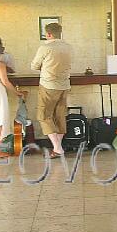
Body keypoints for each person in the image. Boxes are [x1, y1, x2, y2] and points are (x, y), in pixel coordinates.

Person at [31, 23, 72, 158]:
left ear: (48, 34)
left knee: (43, 115)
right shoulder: (68, 47)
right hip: (65, 85)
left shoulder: (45, 47)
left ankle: (58, 148)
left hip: (48, 85)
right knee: (60, 115)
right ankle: (57, 148)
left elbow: (34, 66)